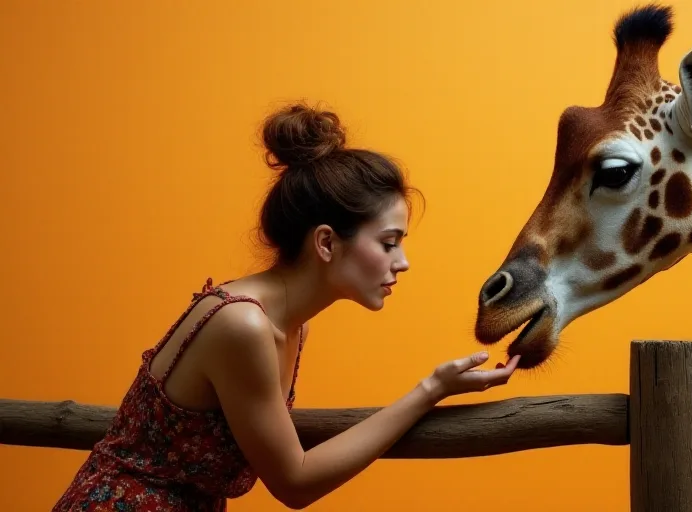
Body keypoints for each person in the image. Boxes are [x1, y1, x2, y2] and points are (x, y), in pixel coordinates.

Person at [52, 102, 521, 511]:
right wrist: (431, 389)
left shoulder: (287, 323)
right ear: (326, 242)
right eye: (388, 243)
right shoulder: (243, 325)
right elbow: (295, 482)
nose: (403, 262)